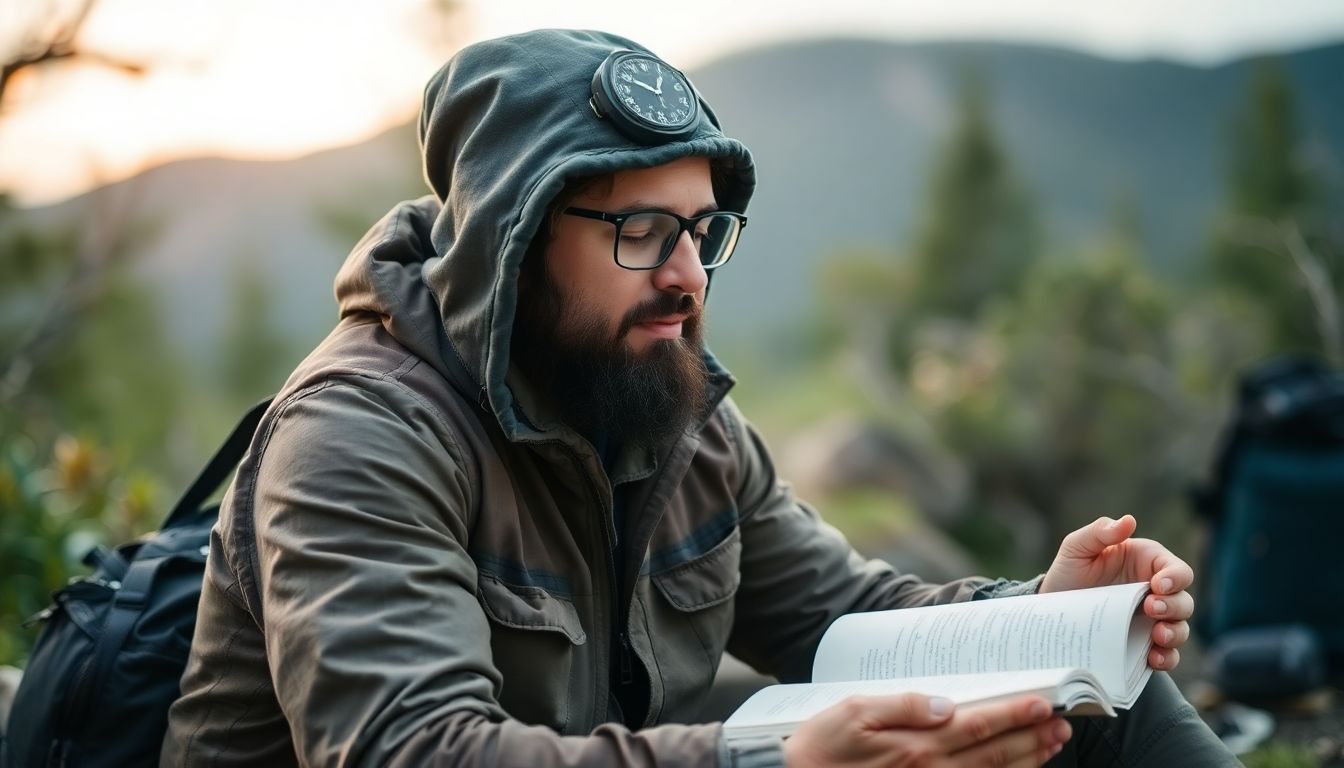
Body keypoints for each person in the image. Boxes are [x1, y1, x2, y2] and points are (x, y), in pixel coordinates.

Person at [161, 29, 1236, 767]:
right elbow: (411, 751)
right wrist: (761, 754)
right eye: (640, 231)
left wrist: (1040, 620)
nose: (684, 274)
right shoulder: (357, 435)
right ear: (513, 241)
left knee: (1099, 706)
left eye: (702, 230)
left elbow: (840, 619)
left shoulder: (672, 414)